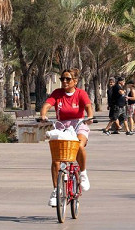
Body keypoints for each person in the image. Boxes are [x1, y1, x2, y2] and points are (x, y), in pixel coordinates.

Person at [38, 68, 94, 206]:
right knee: (56, 159)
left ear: (75, 81)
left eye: (68, 79)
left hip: (78, 123)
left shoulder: (81, 93)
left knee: (79, 145)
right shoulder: (57, 93)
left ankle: (83, 173)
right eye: (62, 78)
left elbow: (88, 107)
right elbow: (47, 105)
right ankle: (56, 190)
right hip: (61, 125)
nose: (64, 81)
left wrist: (90, 117)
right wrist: (43, 114)